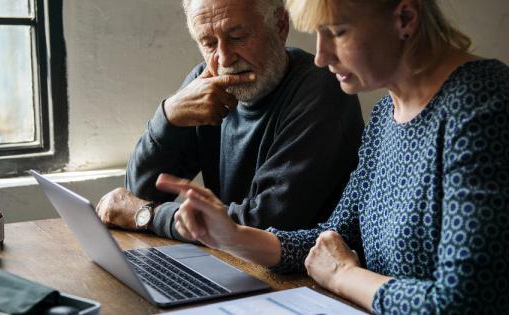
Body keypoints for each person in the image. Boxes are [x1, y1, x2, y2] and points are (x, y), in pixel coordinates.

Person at [155, 0, 509, 313]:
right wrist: (230, 236)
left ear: (405, 17)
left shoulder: (482, 105)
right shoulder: (388, 111)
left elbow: (464, 301)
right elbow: (334, 237)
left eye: (337, 32)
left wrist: (343, 275)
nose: (321, 56)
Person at [95, 0, 363, 240]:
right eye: (209, 43)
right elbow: (141, 193)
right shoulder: (206, 84)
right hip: (233, 262)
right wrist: (167, 116)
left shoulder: (322, 91)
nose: (224, 58)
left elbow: (264, 225)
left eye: (237, 36)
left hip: (301, 279)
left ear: (281, 26)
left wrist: (149, 216)